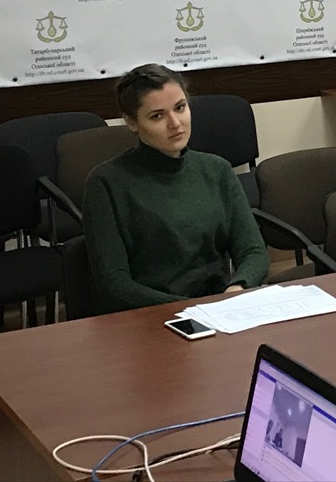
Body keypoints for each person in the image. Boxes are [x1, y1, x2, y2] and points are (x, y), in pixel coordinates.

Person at [83, 63, 268, 313]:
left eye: (180, 108)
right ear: (132, 122)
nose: (175, 123)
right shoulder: (106, 182)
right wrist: (190, 310)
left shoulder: (217, 170)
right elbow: (115, 286)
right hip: (151, 315)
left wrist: (236, 290)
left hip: (219, 309)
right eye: (157, 116)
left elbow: (253, 251)